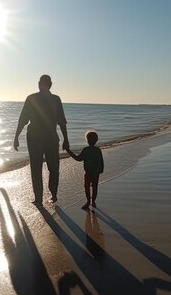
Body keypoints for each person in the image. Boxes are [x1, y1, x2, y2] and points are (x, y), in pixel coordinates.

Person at [14, 75, 70, 204]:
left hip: (49, 138)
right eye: (40, 82)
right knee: (37, 167)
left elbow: (62, 121)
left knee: (53, 167)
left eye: (43, 82)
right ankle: (39, 197)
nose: (41, 84)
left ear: (49, 84)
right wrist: (16, 137)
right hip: (35, 138)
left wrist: (66, 139)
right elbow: (23, 120)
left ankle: (53, 194)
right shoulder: (32, 98)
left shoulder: (55, 99)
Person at [67, 130, 104, 210]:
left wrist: (69, 151)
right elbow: (101, 161)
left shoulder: (86, 150)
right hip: (96, 173)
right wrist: (101, 170)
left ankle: (88, 202)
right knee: (95, 187)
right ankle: (93, 201)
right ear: (96, 140)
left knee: (87, 187)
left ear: (87, 140)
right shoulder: (98, 150)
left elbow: (78, 159)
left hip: (88, 173)